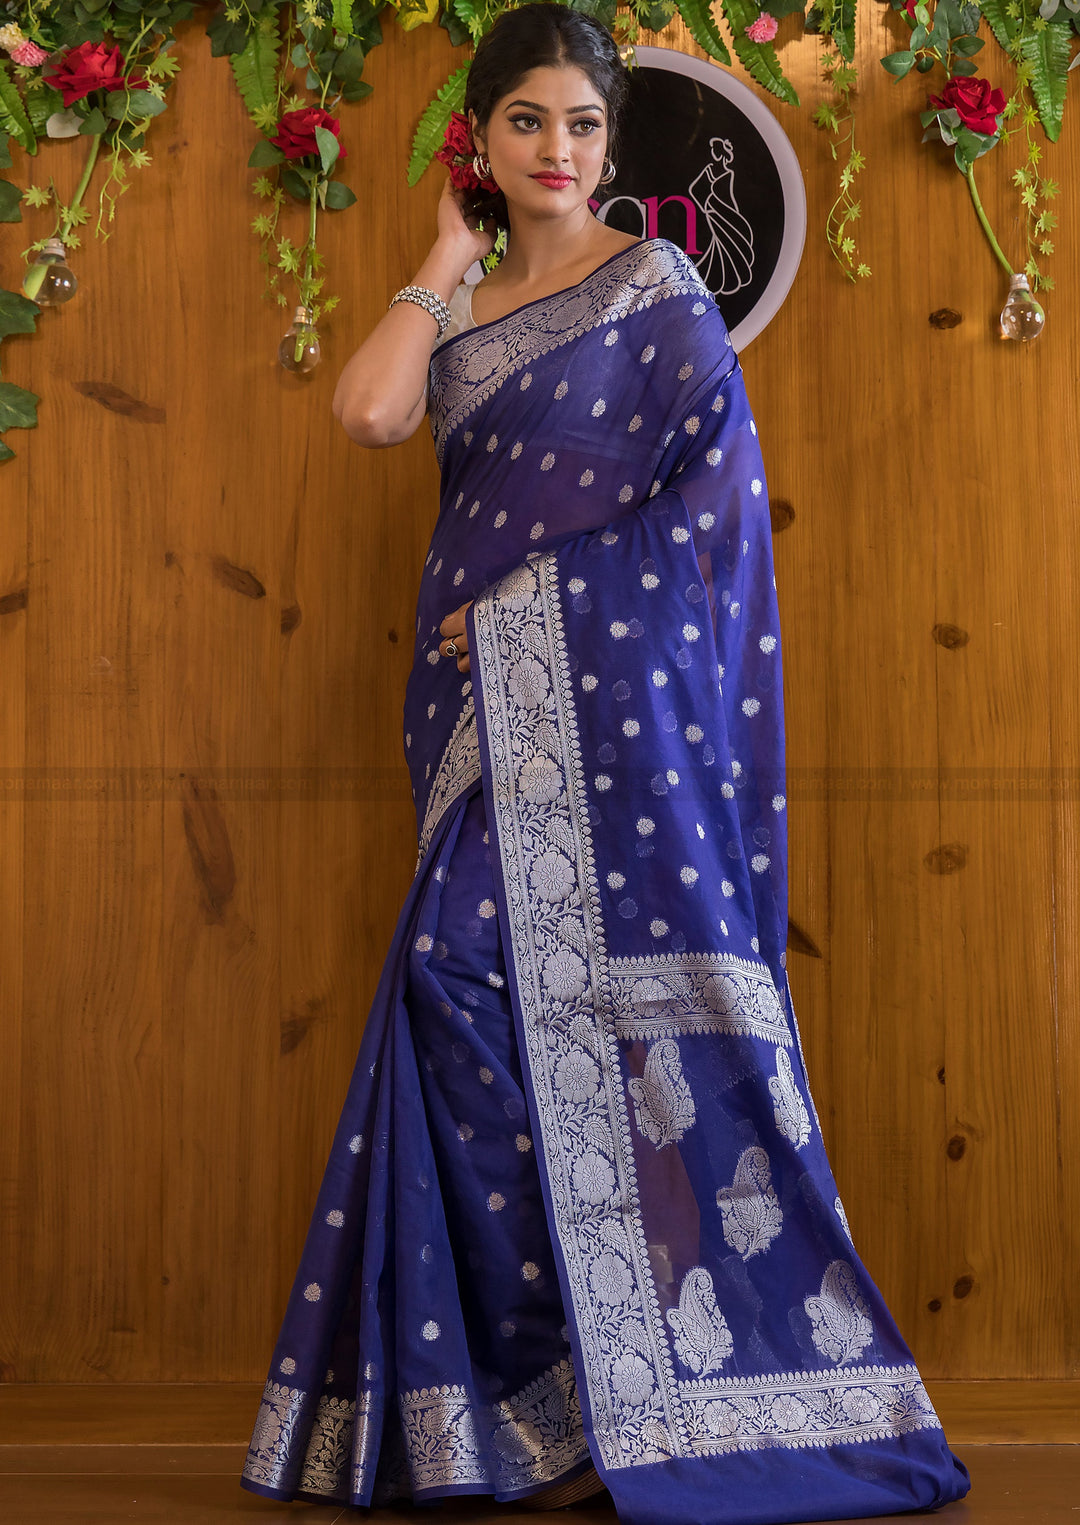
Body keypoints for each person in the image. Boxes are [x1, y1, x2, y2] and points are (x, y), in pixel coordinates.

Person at [240, 7, 971, 1521]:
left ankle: (642, 1390)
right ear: (482, 138)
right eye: (527, 122)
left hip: (612, 714)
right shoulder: (462, 307)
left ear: (612, 143)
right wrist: (444, 256)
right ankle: (554, 1397)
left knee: (547, 1004)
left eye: (583, 124)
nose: (558, 150)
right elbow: (367, 411)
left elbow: (712, 515)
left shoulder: (654, 287)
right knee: (465, 998)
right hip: (474, 721)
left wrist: (533, 608)